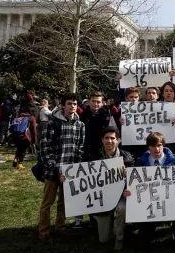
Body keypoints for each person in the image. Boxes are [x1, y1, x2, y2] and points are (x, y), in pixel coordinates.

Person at [37, 93, 86, 240]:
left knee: (64, 202)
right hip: (53, 171)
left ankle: (60, 226)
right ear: (63, 105)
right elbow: (45, 148)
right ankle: (43, 230)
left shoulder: (80, 125)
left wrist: (75, 169)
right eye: (69, 103)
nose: (72, 106)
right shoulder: (51, 123)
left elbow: (80, 148)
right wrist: (56, 169)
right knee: (47, 202)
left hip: (69, 171)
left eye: (75, 104)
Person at [127, 131, 175, 246]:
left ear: (163, 145)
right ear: (148, 147)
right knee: (143, 243)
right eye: (153, 146)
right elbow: (134, 185)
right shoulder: (140, 162)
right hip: (149, 203)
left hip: (172, 201)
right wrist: (130, 191)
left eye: (159, 145)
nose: (157, 149)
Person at [93, 126, 134, 251]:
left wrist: (129, 180)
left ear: (118, 140)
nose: (109, 141)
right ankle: (110, 226)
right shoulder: (94, 156)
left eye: (112, 138)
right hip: (102, 199)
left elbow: (136, 180)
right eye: (106, 138)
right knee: (103, 239)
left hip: (121, 196)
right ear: (102, 140)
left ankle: (119, 238)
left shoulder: (127, 157)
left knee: (122, 208)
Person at [81, 91, 112, 162]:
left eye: (98, 102)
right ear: (89, 102)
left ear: (102, 103)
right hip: (86, 152)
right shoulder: (83, 116)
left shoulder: (107, 116)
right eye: (93, 101)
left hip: (103, 151)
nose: (95, 104)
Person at [10, 103, 37, 169]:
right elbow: (33, 130)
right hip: (24, 136)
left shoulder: (19, 117)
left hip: (15, 136)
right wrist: (34, 140)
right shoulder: (31, 118)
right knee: (23, 151)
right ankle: (19, 164)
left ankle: (15, 163)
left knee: (19, 150)